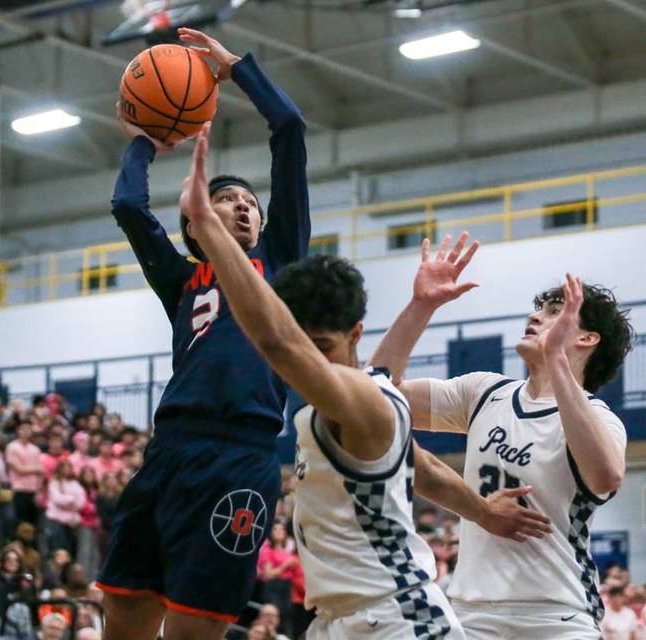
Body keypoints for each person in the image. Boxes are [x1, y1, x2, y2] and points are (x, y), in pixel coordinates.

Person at [178, 125, 550, 639]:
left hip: (398, 618)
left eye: (323, 349)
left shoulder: (362, 401)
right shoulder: (361, 396)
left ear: (350, 337)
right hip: (338, 621)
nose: (313, 364)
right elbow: (428, 471)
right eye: (309, 348)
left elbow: (277, 342)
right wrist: (484, 512)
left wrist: (209, 228)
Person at [96, 27, 310, 640]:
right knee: (126, 619)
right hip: (169, 449)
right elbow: (130, 211)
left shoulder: (283, 262)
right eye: (227, 200)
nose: (244, 207)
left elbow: (290, 132)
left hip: (241, 455)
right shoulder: (183, 278)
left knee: (194, 630)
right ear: (197, 222)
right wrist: (141, 143)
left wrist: (239, 69)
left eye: (251, 203)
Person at [370, 234, 633, 639]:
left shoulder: (599, 418)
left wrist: (556, 360)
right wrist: (421, 307)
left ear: (586, 338)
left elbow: (605, 478)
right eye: (538, 310)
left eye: (554, 311)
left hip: (558, 616)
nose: (536, 317)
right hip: (472, 615)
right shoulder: (485, 392)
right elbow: (376, 397)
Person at [5, 421, 42, 526]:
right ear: (18, 431)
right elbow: (19, 469)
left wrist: (39, 491)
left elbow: (40, 473)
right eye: (23, 429)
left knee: (33, 522)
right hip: (19, 488)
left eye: (28, 429)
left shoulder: (36, 449)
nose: (26, 432)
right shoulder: (11, 447)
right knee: (20, 521)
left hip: (33, 489)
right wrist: (36, 468)